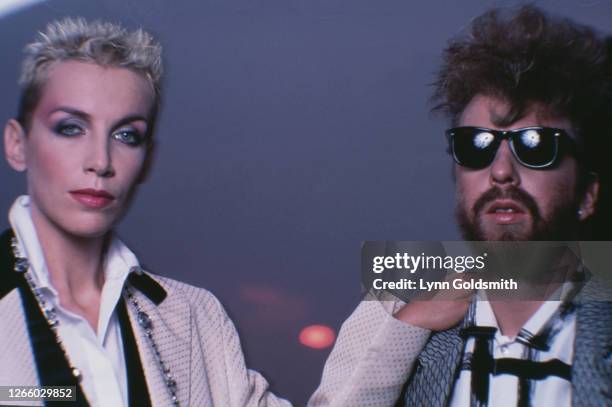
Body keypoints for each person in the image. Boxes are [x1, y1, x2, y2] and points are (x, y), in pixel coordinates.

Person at [309, 5, 611, 407]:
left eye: (536, 146)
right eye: (476, 145)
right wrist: (408, 326)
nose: (502, 172)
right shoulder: (404, 331)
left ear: (588, 195)